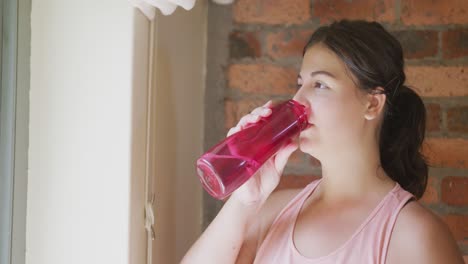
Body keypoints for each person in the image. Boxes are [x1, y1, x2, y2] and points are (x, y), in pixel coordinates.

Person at [181, 20, 464, 263]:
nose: (298, 101)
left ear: (372, 105)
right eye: (299, 84)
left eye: (320, 85)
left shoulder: (414, 235)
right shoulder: (273, 211)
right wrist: (244, 202)